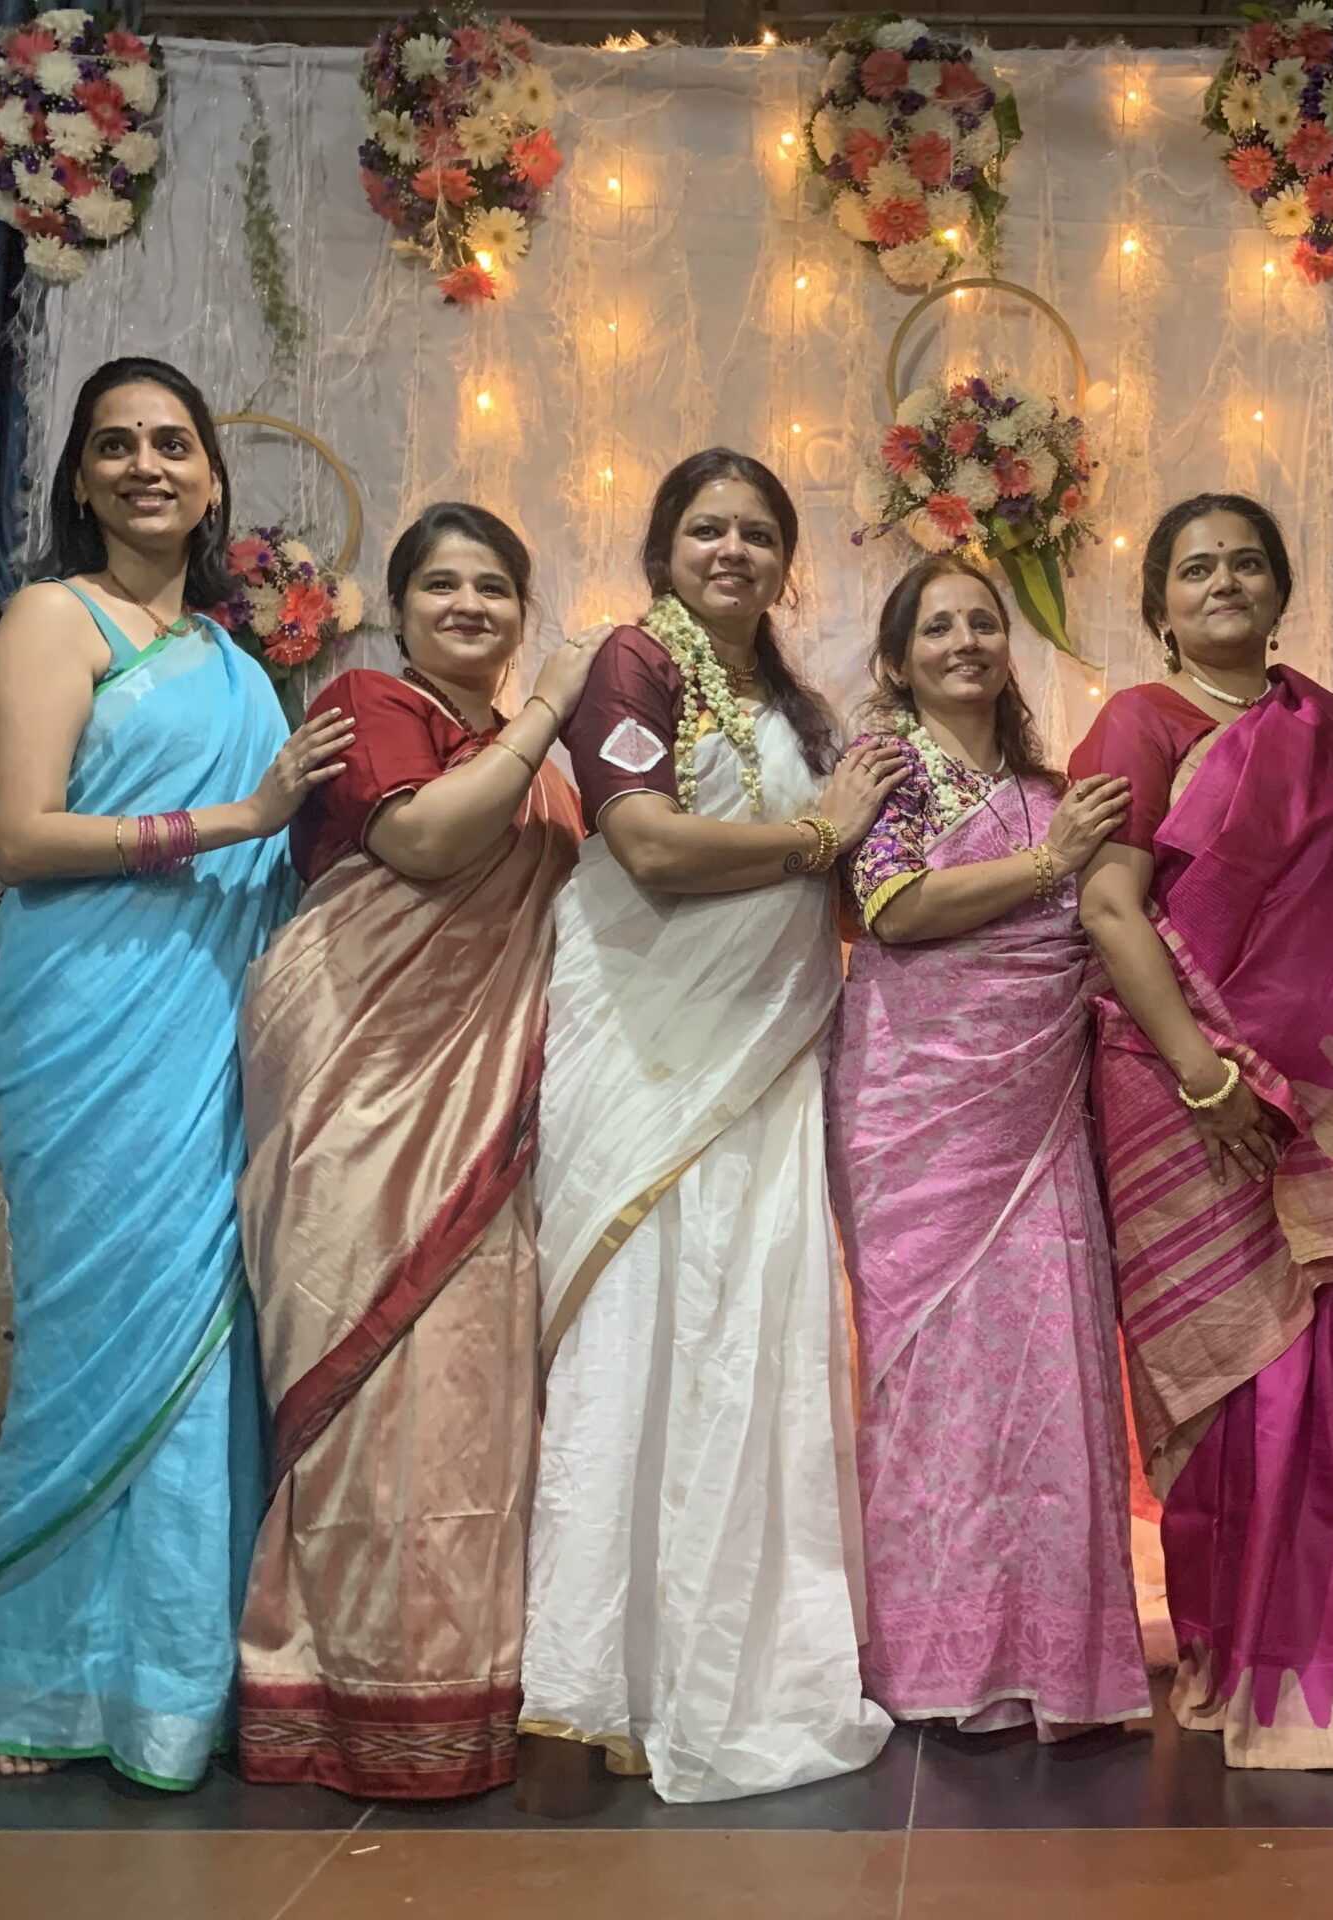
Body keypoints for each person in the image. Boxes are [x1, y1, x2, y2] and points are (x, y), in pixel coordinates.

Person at [0, 357, 352, 1787]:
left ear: (212, 481)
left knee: (206, 1338)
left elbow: (290, 851)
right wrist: (238, 817)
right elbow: (23, 837)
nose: (145, 466)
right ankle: (32, 1674)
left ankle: (171, 1682)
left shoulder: (234, 662)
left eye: (171, 444)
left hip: (213, 1030)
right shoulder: (54, 619)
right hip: (91, 1020)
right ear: (82, 481)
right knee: (94, 1330)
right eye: (115, 446)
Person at [522, 448, 905, 1803]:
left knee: (751, 1335)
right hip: (646, 1041)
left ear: (784, 563)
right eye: (706, 529)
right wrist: (819, 837)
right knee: (635, 1336)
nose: (731, 550)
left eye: (756, 533)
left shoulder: (798, 705)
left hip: (768, 1052)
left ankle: (743, 1669)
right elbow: (647, 844)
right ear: (663, 550)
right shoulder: (631, 662)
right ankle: (587, 1687)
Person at [1066, 493, 1333, 1779]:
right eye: (1195, 568)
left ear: (1279, 590)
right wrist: (1205, 1078)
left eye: (1246, 563)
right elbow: (1111, 909)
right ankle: (1245, 1659)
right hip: (1189, 1098)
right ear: (1158, 604)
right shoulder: (1137, 724)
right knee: (1238, 1390)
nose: (1223, 582)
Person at [234, 505, 604, 1798]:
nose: (468, 606)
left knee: (466, 1402)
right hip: (360, 1094)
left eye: (493, 586)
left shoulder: (536, 759)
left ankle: (459, 1690)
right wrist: (552, 702)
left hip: (484, 1113)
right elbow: (431, 842)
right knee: (366, 1386)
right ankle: (339, 1696)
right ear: (398, 610)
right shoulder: (373, 703)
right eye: (440, 584)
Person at [824, 555, 1148, 1740]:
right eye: (937, 627)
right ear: (898, 658)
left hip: (1035, 1110)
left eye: (981, 623)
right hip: (915, 1109)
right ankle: (932, 1654)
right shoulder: (886, 769)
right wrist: (1056, 862)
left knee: (1047, 1362)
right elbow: (893, 908)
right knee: (930, 1380)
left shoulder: (1049, 790)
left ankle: (1052, 1659)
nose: (963, 641)